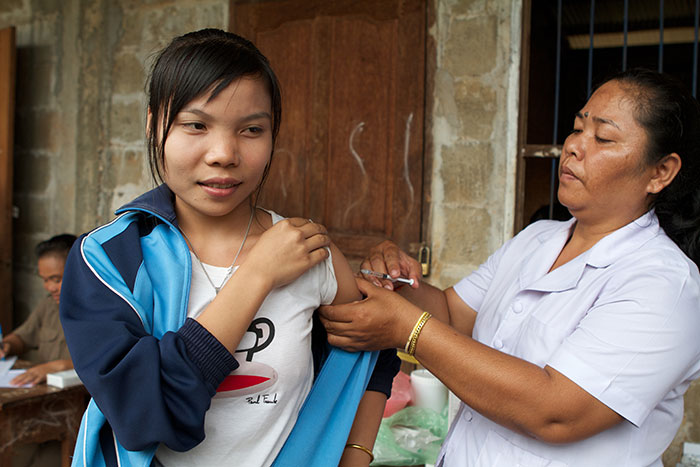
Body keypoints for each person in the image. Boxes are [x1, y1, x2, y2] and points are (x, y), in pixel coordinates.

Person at [319, 68, 700, 466]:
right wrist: (397, 281)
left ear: (661, 172)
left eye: (602, 137)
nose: (573, 147)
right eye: (576, 128)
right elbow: (451, 315)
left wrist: (408, 328)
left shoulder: (664, 285)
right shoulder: (537, 239)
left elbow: (556, 412)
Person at [59, 29, 398, 467]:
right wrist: (256, 276)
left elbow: (375, 352)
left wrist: (356, 455)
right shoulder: (109, 261)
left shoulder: (308, 252)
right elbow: (149, 418)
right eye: (195, 125)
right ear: (153, 124)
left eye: (251, 129)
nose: (223, 153)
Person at [0, 234, 76, 386]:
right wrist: (6, 345)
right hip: (45, 393)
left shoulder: (101, 312)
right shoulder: (49, 305)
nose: (50, 287)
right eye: (45, 280)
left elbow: (107, 362)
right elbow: (23, 337)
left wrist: (57, 367)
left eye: (56, 279)